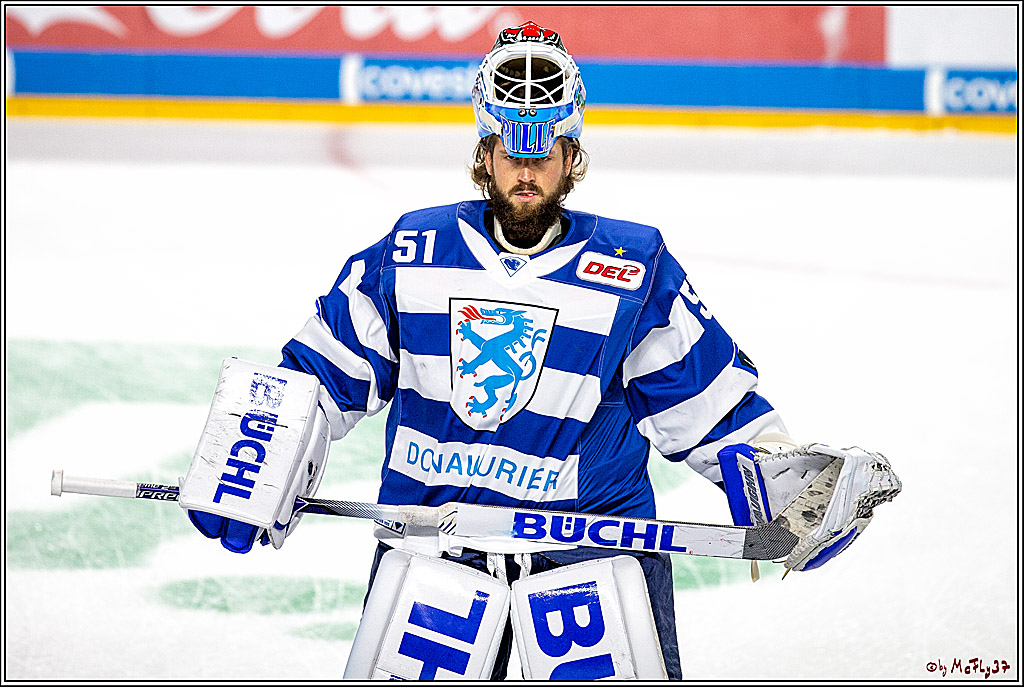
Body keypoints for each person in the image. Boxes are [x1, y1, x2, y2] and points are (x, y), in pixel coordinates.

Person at [182, 21, 900, 680]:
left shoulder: (632, 266)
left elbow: (708, 406)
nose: (526, 173)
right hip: (434, 548)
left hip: (592, 552)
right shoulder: (412, 252)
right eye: (510, 153)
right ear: (485, 152)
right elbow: (318, 373)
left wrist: (791, 493)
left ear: (571, 155)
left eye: (544, 154)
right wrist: (250, 461)